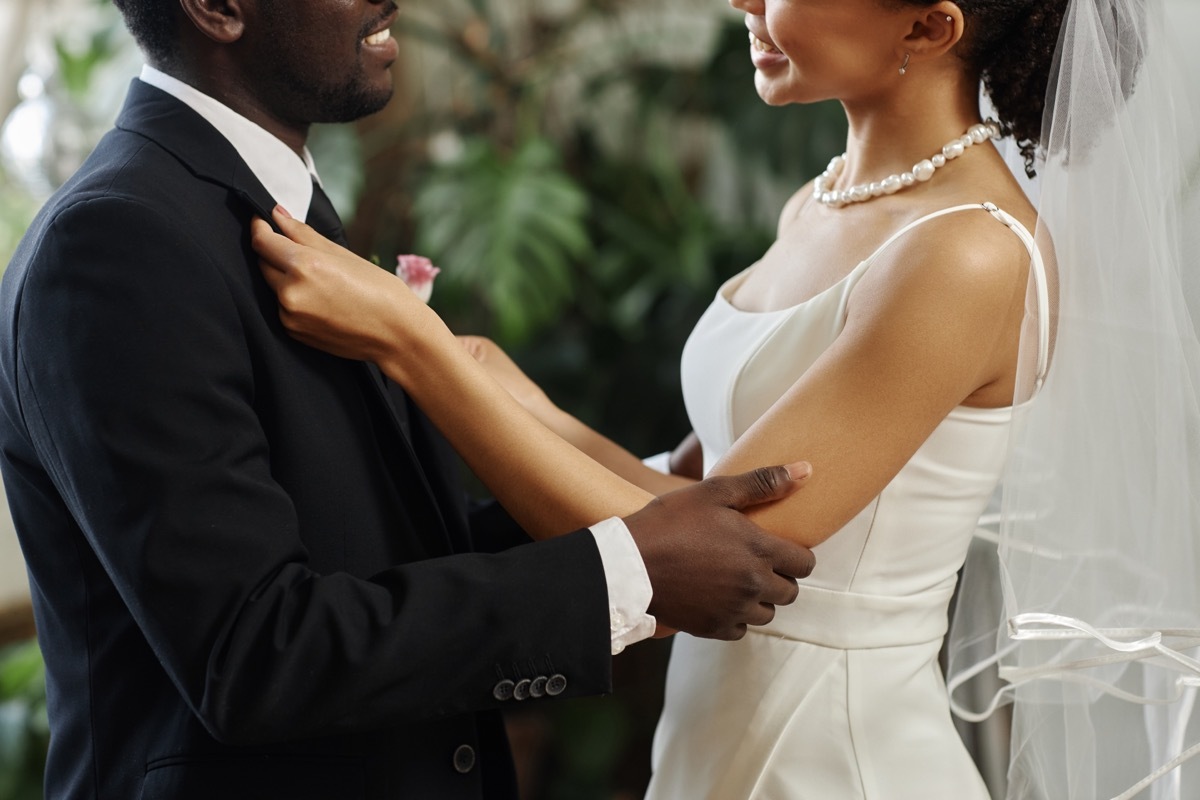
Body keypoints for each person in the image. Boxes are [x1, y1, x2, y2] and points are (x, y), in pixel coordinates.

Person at [256, 0, 1200, 795]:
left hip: (833, 750)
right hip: (721, 733)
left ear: (928, 25)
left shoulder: (966, 254)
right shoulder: (822, 202)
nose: (743, 1)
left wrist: (419, 355)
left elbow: (706, 560)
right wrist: (508, 389)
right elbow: (688, 500)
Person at [0, 1, 825, 798]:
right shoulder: (118, 242)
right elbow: (255, 653)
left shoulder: (261, 198)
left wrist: (649, 506)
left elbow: (385, 552)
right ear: (218, 7)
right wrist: (626, 572)